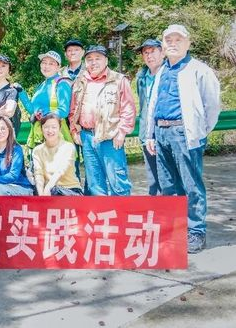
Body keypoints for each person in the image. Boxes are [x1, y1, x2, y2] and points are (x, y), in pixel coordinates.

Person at [145, 24, 221, 254]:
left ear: (188, 43)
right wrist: (150, 134)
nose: (173, 44)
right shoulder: (161, 71)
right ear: (163, 44)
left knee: (191, 185)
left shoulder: (199, 70)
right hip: (161, 132)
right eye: (169, 40)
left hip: (184, 134)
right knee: (168, 185)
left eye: (178, 40)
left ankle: (196, 231)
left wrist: (199, 132)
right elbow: (153, 104)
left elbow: (212, 106)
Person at [69, 45, 136, 196]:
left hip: (111, 137)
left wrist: (121, 133)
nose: (93, 62)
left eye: (97, 58)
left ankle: (121, 210)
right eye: (89, 59)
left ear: (106, 60)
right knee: (95, 183)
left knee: (117, 181)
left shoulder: (118, 80)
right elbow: (73, 110)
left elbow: (128, 108)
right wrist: (74, 131)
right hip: (86, 137)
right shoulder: (80, 81)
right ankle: (101, 211)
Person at [16, 50, 73, 150]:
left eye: (51, 63)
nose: (46, 66)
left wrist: (43, 116)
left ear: (58, 67)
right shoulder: (41, 86)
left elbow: (63, 111)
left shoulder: (61, 83)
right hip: (38, 134)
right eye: (44, 62)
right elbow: (32, 110)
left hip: (55, 135)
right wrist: (21, 92)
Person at [135, 39, 165, 195]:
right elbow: (143, 107)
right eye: (145, 52)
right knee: (153, 178)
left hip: (166, 133)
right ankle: (156, 207)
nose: (149, 55)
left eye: (152, 51)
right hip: (147, 134)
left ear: (162, 52)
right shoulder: (141, 77)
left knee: (170, 178)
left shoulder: (169, 74)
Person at [0, 116, 33, 196]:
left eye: (3, 129)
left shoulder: (16, 149)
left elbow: (13, 175)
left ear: (9, 130)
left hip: (19, 187)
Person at [33, 114, 83, 196]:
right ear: (41, 129)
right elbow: (38, 174)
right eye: (46, 127)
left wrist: (48, 188)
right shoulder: (37, 150)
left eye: (54, 127)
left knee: (55, 191)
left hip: (70, 190)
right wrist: (41, 195)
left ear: (59, 129)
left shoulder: (68, 147)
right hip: (48, 191)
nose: (50, 130)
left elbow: (60, 171)